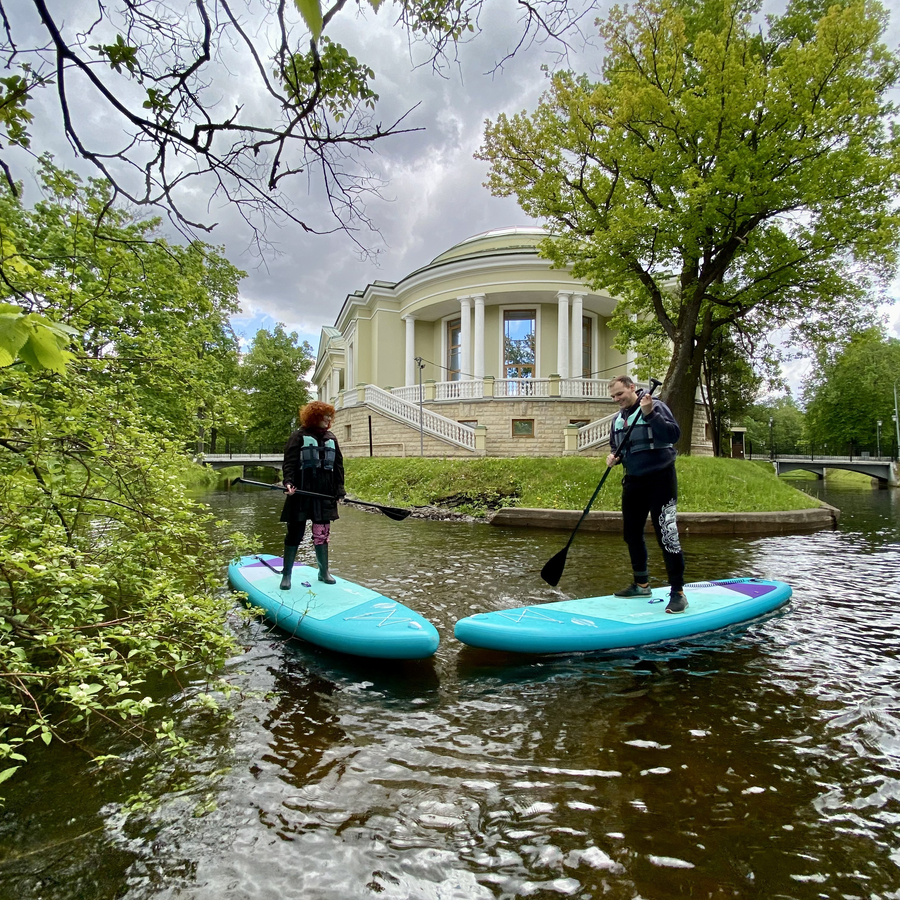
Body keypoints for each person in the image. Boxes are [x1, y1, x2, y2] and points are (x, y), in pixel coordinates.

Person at [605, 375, 687, 614]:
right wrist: (615, 457)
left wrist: (650, 413)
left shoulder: (656, 406)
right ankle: (642, 584)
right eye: (613, 396)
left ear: (632, 388)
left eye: (620, 394)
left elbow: (673, 436)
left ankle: (678, 593)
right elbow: (616, 445)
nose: (617, 399)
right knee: (631, 534)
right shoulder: (618, 419)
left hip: (661, 479)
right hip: (633, 481)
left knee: (667, 535)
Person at [279, 400, 346, 590]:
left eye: (329, 416)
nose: (328, 419)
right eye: (324, 416)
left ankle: (323, 572)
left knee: (322, 534)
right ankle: (286, 575)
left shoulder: (332, 438)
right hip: (300, 493)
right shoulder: (298, 437)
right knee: (295, 533)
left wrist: (339, 490)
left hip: (324, 495)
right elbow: (289, 464)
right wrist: (289, 483)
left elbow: (338, 467)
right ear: (314, 417)